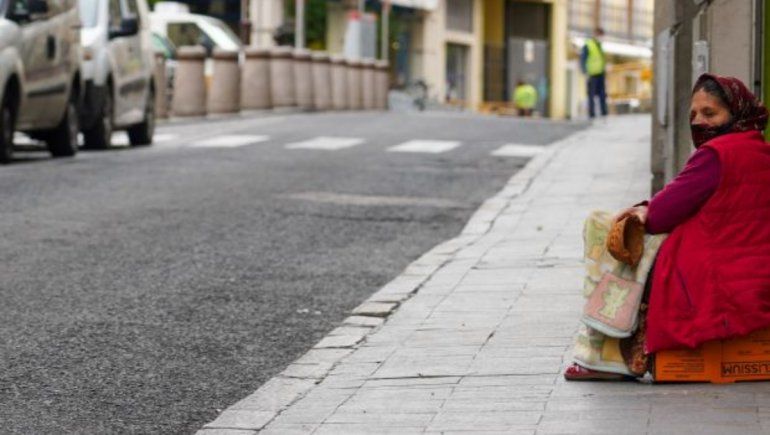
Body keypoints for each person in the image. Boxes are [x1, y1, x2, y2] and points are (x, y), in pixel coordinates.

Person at [565, 73, 770, 380]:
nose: (699, 121)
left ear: (736, 112)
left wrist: (641, 211)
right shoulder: (760, 150)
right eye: (694, 114)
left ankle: (607, 356)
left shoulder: (716, 155)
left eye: (710, 113)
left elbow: (661, 214)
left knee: (608, 227)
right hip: (755, 276)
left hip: (712, 279)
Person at [581, 28, 608, 119]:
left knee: (602, 94)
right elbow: (583, 59)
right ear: (596, 34)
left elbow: (601, 59)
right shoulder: (588, 45)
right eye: (600, 35)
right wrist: (585, 71)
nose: (601, 37)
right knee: (591, 94)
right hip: (592, 74)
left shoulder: (599, 45)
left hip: (601, 73)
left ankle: (604, 113)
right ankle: (591, 114)